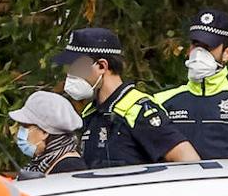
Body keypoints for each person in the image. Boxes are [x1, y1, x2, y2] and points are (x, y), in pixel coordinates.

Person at [53, 27, 199, 168]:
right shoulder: (91, 112)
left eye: (76, 67)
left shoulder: (138, 111)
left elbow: (189, 162)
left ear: (102, 66)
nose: (70, 74)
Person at [154, 9, 228, 158]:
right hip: (179, 181)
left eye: (207, 46)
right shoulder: (161, 101)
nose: (198, 53)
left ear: (227, 53)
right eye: (195, 44)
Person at [9, 90, 87, 175]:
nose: (19, 132)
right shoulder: (44, 163)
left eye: (25, 126)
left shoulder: (69, 168)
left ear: (45, 132)